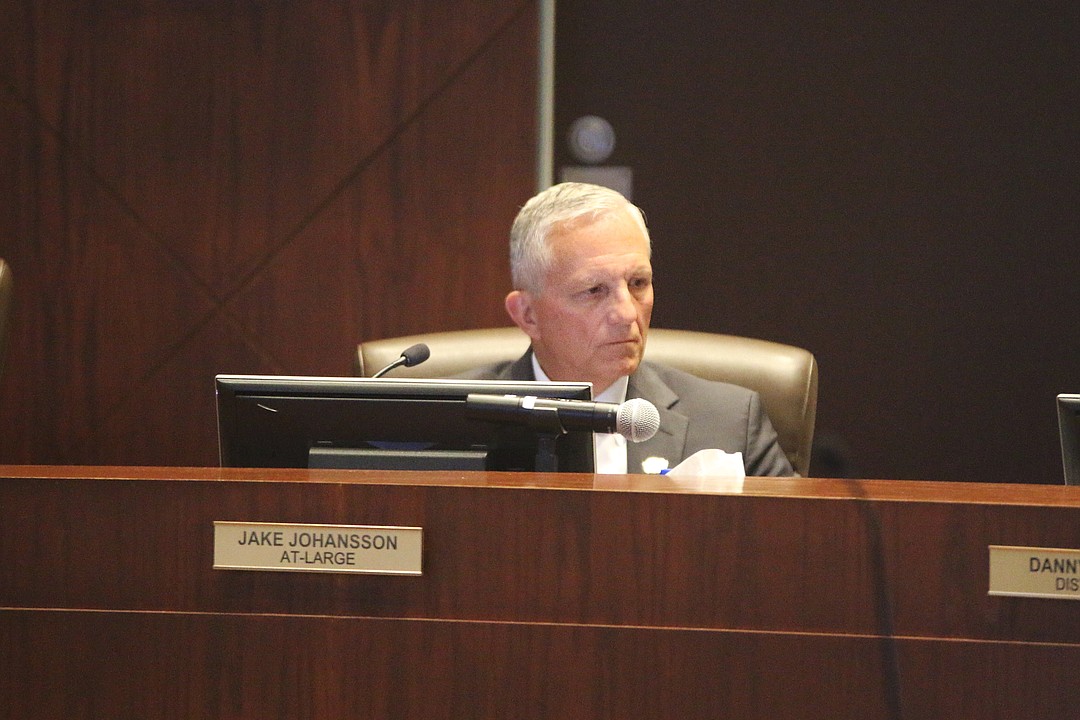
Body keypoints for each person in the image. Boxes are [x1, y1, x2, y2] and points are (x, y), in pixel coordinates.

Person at [461, 182, 794, 476]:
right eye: (594, 290)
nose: (627, 313)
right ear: (528, 315)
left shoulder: (730, 422)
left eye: (638, 283)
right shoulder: (455, 420)